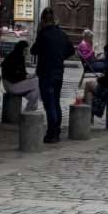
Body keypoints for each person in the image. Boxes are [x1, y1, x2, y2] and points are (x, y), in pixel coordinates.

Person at [32, 10, 73, 144]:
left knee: (49, 105)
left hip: (46, 73)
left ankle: (52, 134)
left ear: (43, 20)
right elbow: (71, 50)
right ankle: (57, 130)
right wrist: (60, 57)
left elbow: (34, 50)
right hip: (58, 72)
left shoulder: (43, 35)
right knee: (56, 102)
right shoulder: (62, 34)